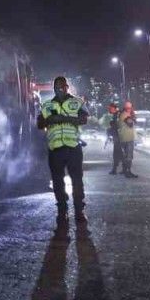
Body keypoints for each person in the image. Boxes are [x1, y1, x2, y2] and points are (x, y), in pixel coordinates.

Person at [37, 75, 90, 222]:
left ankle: (79, 211)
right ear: (54, 89)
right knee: (58, 181)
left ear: (67, 87)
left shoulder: (77, 102)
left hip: (73, 147)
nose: (60, 90)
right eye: (57, 88)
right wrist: (48, 120)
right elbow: (39, 124)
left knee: (77, 181)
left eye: (62, 87)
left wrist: (64, 118)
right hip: (55, 149)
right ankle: (62, 210)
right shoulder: (47, 105)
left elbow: (84, 119)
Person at [117, 101, 138, 177]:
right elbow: (130, 123)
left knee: (126, 155)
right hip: (128, 138)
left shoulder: (122, 114)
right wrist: (133, 117)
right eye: (129, 108)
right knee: (129, 156)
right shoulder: (125, 115)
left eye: (130, 107)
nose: (130, 109)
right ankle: (128, 172)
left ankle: (124, 170)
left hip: (124, 137)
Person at [99, 102, 121, 173]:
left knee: (118, 152)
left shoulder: (118, 115)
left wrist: (112, 125)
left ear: (114, 108)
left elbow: (118, 125)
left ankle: (118, 168)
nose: (109, 109)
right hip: (116, 135)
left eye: (110, 108)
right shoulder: (114, 115)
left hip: (119, 136)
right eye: (109, 108)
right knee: (117, 152)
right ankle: (117, 168)